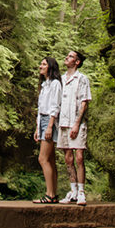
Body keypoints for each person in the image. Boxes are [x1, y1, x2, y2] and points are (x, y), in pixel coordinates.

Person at [57, 49, 92, 206]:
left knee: (79, 157)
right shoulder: (61, 79)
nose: (66, 57)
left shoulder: (82, 79)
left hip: (77, 122)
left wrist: (77, 124)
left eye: (70, 56)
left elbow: (84, 102)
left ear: (77, 62)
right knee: (68, 158)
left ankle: (82, 192)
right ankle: (73, 191)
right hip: (63, 122)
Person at [32, 56, 62, 204]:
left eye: (43, 64)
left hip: (51, 121)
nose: (40, 66)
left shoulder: (56, 84)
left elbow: (55, 106)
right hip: (43, 121)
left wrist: (49, 126)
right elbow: (40, 109)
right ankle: (53, 194)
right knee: (50, 159)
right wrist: (38, 128)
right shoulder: (45, 85)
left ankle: (50, 194)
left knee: (42, 158)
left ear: (50, 67)